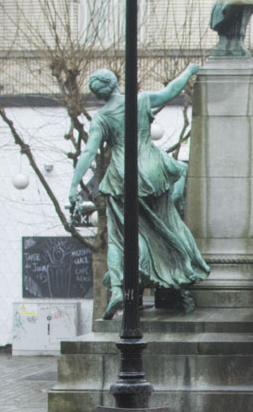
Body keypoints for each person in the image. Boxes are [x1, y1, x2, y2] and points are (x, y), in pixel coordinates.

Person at [68, 65, 210, 318]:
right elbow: (169, 91)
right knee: (166, 225)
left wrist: (73, 185)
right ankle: (172, 273)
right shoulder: (140, 101)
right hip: (152, 168)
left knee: (118, 239)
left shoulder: (101, 118)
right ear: (115, 83)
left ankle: (118, 291)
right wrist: (189, 71)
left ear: (99, 94)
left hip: (122, 175)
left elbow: (89, 151)